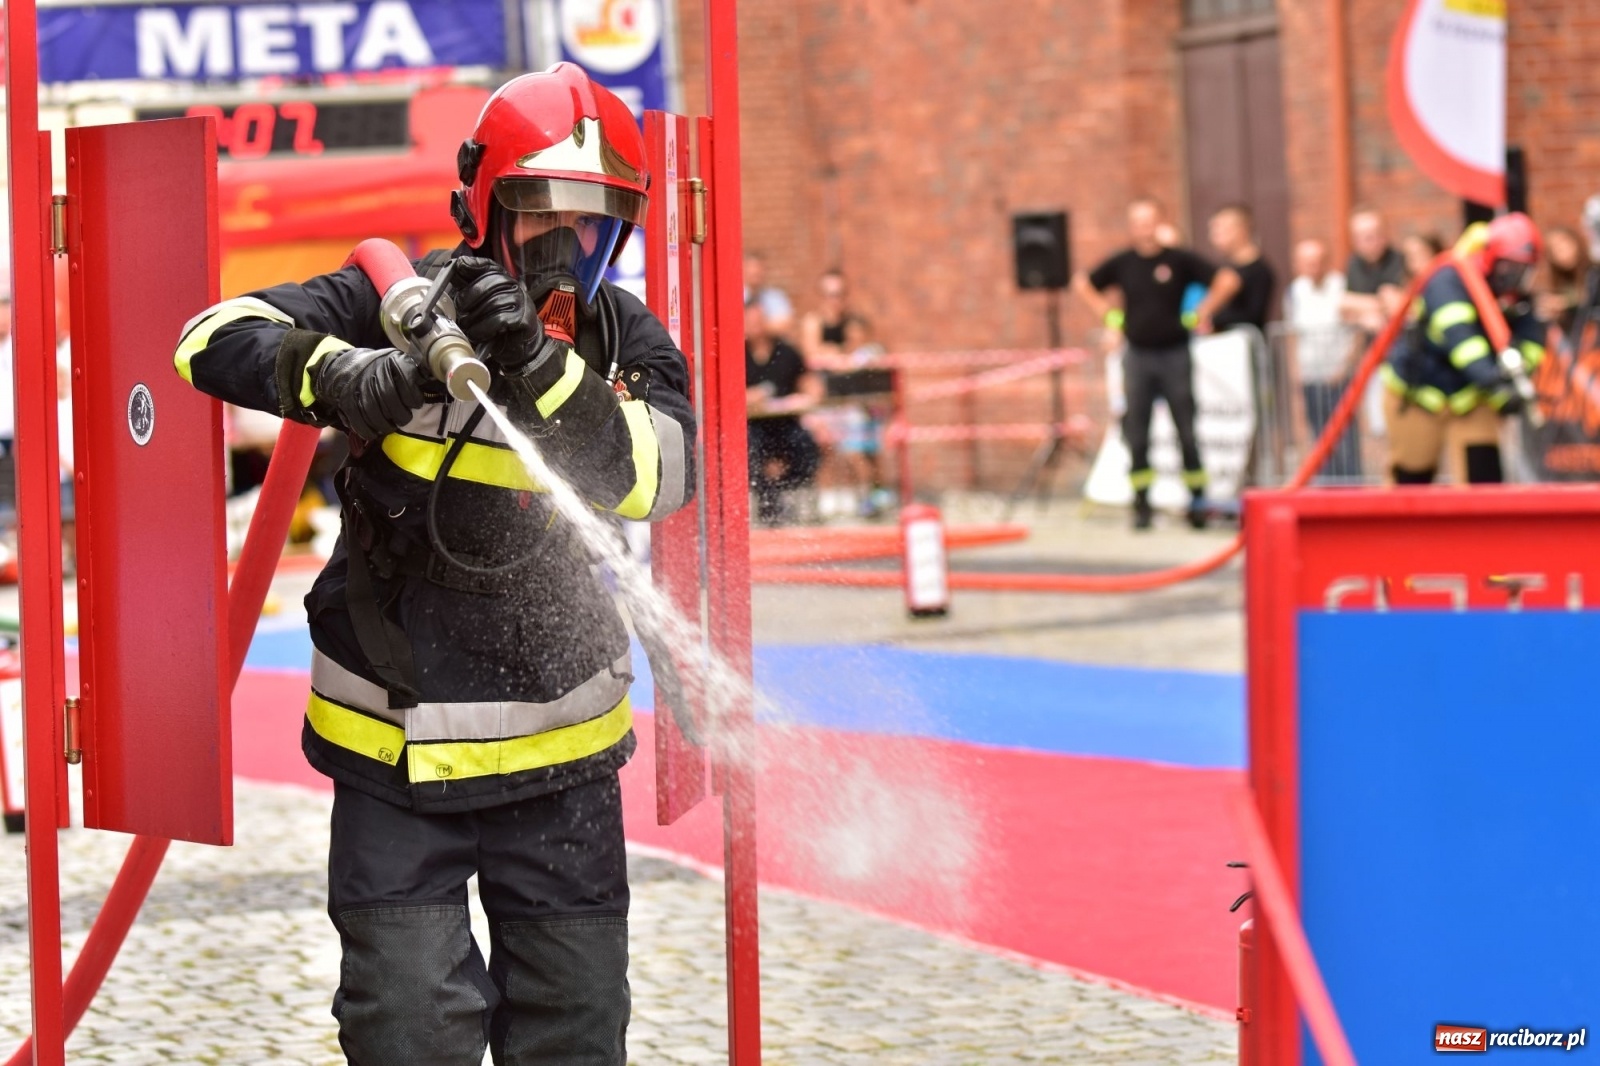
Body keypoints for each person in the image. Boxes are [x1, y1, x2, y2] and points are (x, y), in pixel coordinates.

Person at [171, 63, 695, 1066]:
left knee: (575, 1037)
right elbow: (207, 338)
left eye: (594, 227)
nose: (566, 253)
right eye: (543, 219)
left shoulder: (624, 340)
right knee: (405, 1030)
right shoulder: (393, 301)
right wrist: (345, 373)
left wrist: (545, 370)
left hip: (563, 766)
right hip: (391, 761)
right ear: (484, 208)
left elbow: (660, 476)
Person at [1073, 197, 1241, 529]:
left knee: (1186, 431)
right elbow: (1083, 283)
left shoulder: (1179, 260)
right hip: (1137, 355)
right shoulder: (1123, 263)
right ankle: (1141, 505)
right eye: (1138, 222)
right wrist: (1109, 316)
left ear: (1160, 222)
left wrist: (1201, 312)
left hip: (1175, 354)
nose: (1144, 229)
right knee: (1137, 432)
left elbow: (1228, 280)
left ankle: (1197, 502)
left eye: (1150, 221)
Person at [1380, 212, 1546, 485]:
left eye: (1524, 270)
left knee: (1484, 480)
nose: (1516, 278)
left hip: (1470, 397)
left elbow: (1532, 340)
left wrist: (1520, 375)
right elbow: (1462, 341)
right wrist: (1497, 382)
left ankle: (1483, 530)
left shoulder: (1515, 296)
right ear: (1491, 258)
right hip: (1419, 393)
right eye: (1510, 268)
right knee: (1411, 482)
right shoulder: (1448, 278)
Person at [1282, 239, 1361, 479]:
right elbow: (1291, 335)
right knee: (1319, 437)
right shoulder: (1295, 292)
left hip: (1340, 375)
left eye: (1317, 261)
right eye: (1307, 262)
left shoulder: (1342, 285)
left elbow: (1357, 331)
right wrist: (1296, 373)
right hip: (1311, 375)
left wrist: (1346, 366)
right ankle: (1328, 485)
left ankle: (1352, 486)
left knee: (1346, 436)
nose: (1313, 267)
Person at [746, 299, 822, 524]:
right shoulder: (735, 355)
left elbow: (810, 383)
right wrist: (750, 397)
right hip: (753, 426)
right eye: (750, 321)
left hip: (787, 424)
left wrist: (808, 395)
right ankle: (769, 506)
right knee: (750, 450)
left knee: (806, 446)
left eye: (760, 320)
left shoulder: (787, 352)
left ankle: (789, 496)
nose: (756, 326)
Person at [1207, 204, 1276, 333]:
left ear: (1240, 230)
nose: (1213, 238)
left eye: (1220, 231)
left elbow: (1253, 315)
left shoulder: (1259, 271)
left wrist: (1213, 319)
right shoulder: (1224, 270)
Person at [1341, 207, 1409, 333]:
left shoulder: (1401, 260)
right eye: (1366, 237)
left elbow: (1398, 304)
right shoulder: (1354, 264)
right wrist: (1363, 316)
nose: (1374, 241)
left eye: (1378, 233)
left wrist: (1361, 306)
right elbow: (1344, 305)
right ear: (1355, 240)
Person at [1537, 225, 1591, 339]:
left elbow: (1589, 296)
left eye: (1563, 243)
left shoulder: (1594, 271)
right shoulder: (1561, 283)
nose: (1560, 251)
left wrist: (1565, 302)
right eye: (1554, 249)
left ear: (1575, 241)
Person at [743, 251, 794, 334]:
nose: (755, 272)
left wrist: (755, 326)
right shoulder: (735, 298)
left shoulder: (775, 297)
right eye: (751, 268)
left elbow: (786, 324)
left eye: (758, 268)